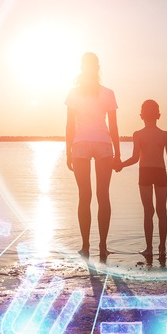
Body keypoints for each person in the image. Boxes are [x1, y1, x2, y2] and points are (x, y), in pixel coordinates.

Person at [66, 52, 121, 259]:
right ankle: (103, 246)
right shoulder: (108, 93)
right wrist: (117, 152)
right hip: (103, 145)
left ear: (82, 68)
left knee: (84, 196)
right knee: (103, 195)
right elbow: (113, 127)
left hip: (80, 145)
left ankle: (85, 246)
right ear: (97, 68)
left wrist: (68, 151)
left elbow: (69, 125)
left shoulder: (74, 93)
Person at [120, 99, 167, 258]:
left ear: (141, 115)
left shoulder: (138, 134)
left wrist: (120, 165)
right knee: (161, 210)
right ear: (158, 115)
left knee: (148, 211)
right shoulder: (165, 135)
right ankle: (162, 247)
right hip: (160, 172)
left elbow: (134, 158)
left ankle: (149, 248)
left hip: (145, 172)